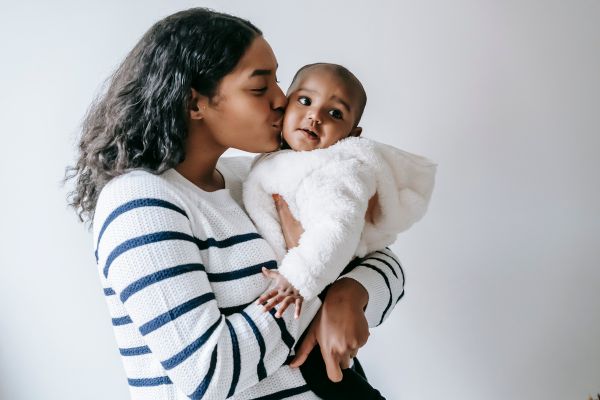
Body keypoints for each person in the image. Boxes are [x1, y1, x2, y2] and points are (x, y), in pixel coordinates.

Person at [66, 8, 404, 400]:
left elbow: (382, 258)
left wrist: (351, 293)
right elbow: (210, 373)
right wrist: (311, 280)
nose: (284, 100)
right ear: (195, 104)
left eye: (278, 80)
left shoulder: (256, 177)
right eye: (260, 88)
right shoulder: (140, 204)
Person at [245, 63, 436, 317]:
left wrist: (298, 276)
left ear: (351, 135)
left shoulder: (339, 170)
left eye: (335, 113)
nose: (315, 116)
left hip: (311, 286)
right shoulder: (272, 162)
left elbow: (338, 228)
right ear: (286, 104)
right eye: (305, 100)